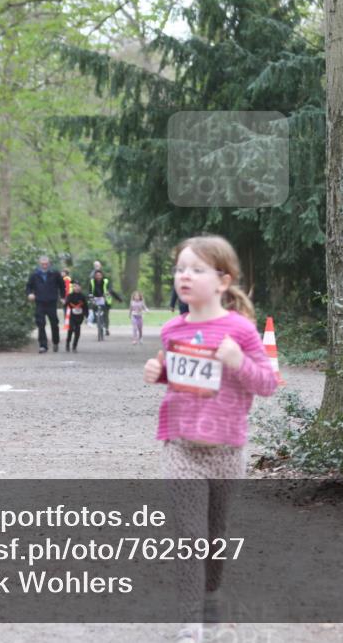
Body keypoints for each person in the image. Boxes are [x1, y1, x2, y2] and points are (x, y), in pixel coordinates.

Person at [142, 235, 277, 643]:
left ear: (222, 280)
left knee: (216, 536)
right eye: (181, 268)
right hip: (181, 446)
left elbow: (268, 384)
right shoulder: (171, 329)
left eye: (196, 269)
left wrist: (238, 363)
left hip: (226, 449)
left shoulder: (240, 330)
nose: (185, 276)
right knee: (190, 535)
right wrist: (159, 372)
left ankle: (212, 598)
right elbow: (181, 379)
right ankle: (191, 622)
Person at [26, 255, 65, 353]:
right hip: (40, 302)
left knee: (54, 323)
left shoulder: (55, 274)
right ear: (40, 264)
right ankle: (43, 345)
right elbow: (28, 286)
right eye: (43, 264)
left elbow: (62, 286)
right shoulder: (35, 274)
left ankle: (55, 342)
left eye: (46, 264)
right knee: (41, 323)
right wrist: (30, 294)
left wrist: (63, 297)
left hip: (51, 301)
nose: (44, 266)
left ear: (49, 264)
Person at [88, 270, 122, 337]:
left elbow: (110, 289)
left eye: (99, 275)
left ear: (102, 275)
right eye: (97, 275)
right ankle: (98, 323)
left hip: (105, 299)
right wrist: (90, 296)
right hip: (96, 298)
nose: (98, 277)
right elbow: (90, 291)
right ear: (95, 276)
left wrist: (117, 298)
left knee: (105, 315)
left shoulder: (106, 281)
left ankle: (106, 328)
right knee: (95, 312)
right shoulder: (92, 282)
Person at [64, 282, 88, 353]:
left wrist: (86, 315)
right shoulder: (70, 296)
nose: (77, 288)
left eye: (78, 286)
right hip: (72, 315)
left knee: (77, 332)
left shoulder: (82, 296)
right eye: (75, 286)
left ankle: (74, 346)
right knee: (70, 329)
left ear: (80, 288)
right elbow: (66, 304)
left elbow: (85, 306)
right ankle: (68, 343)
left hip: (79, 316)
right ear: (73, 288)